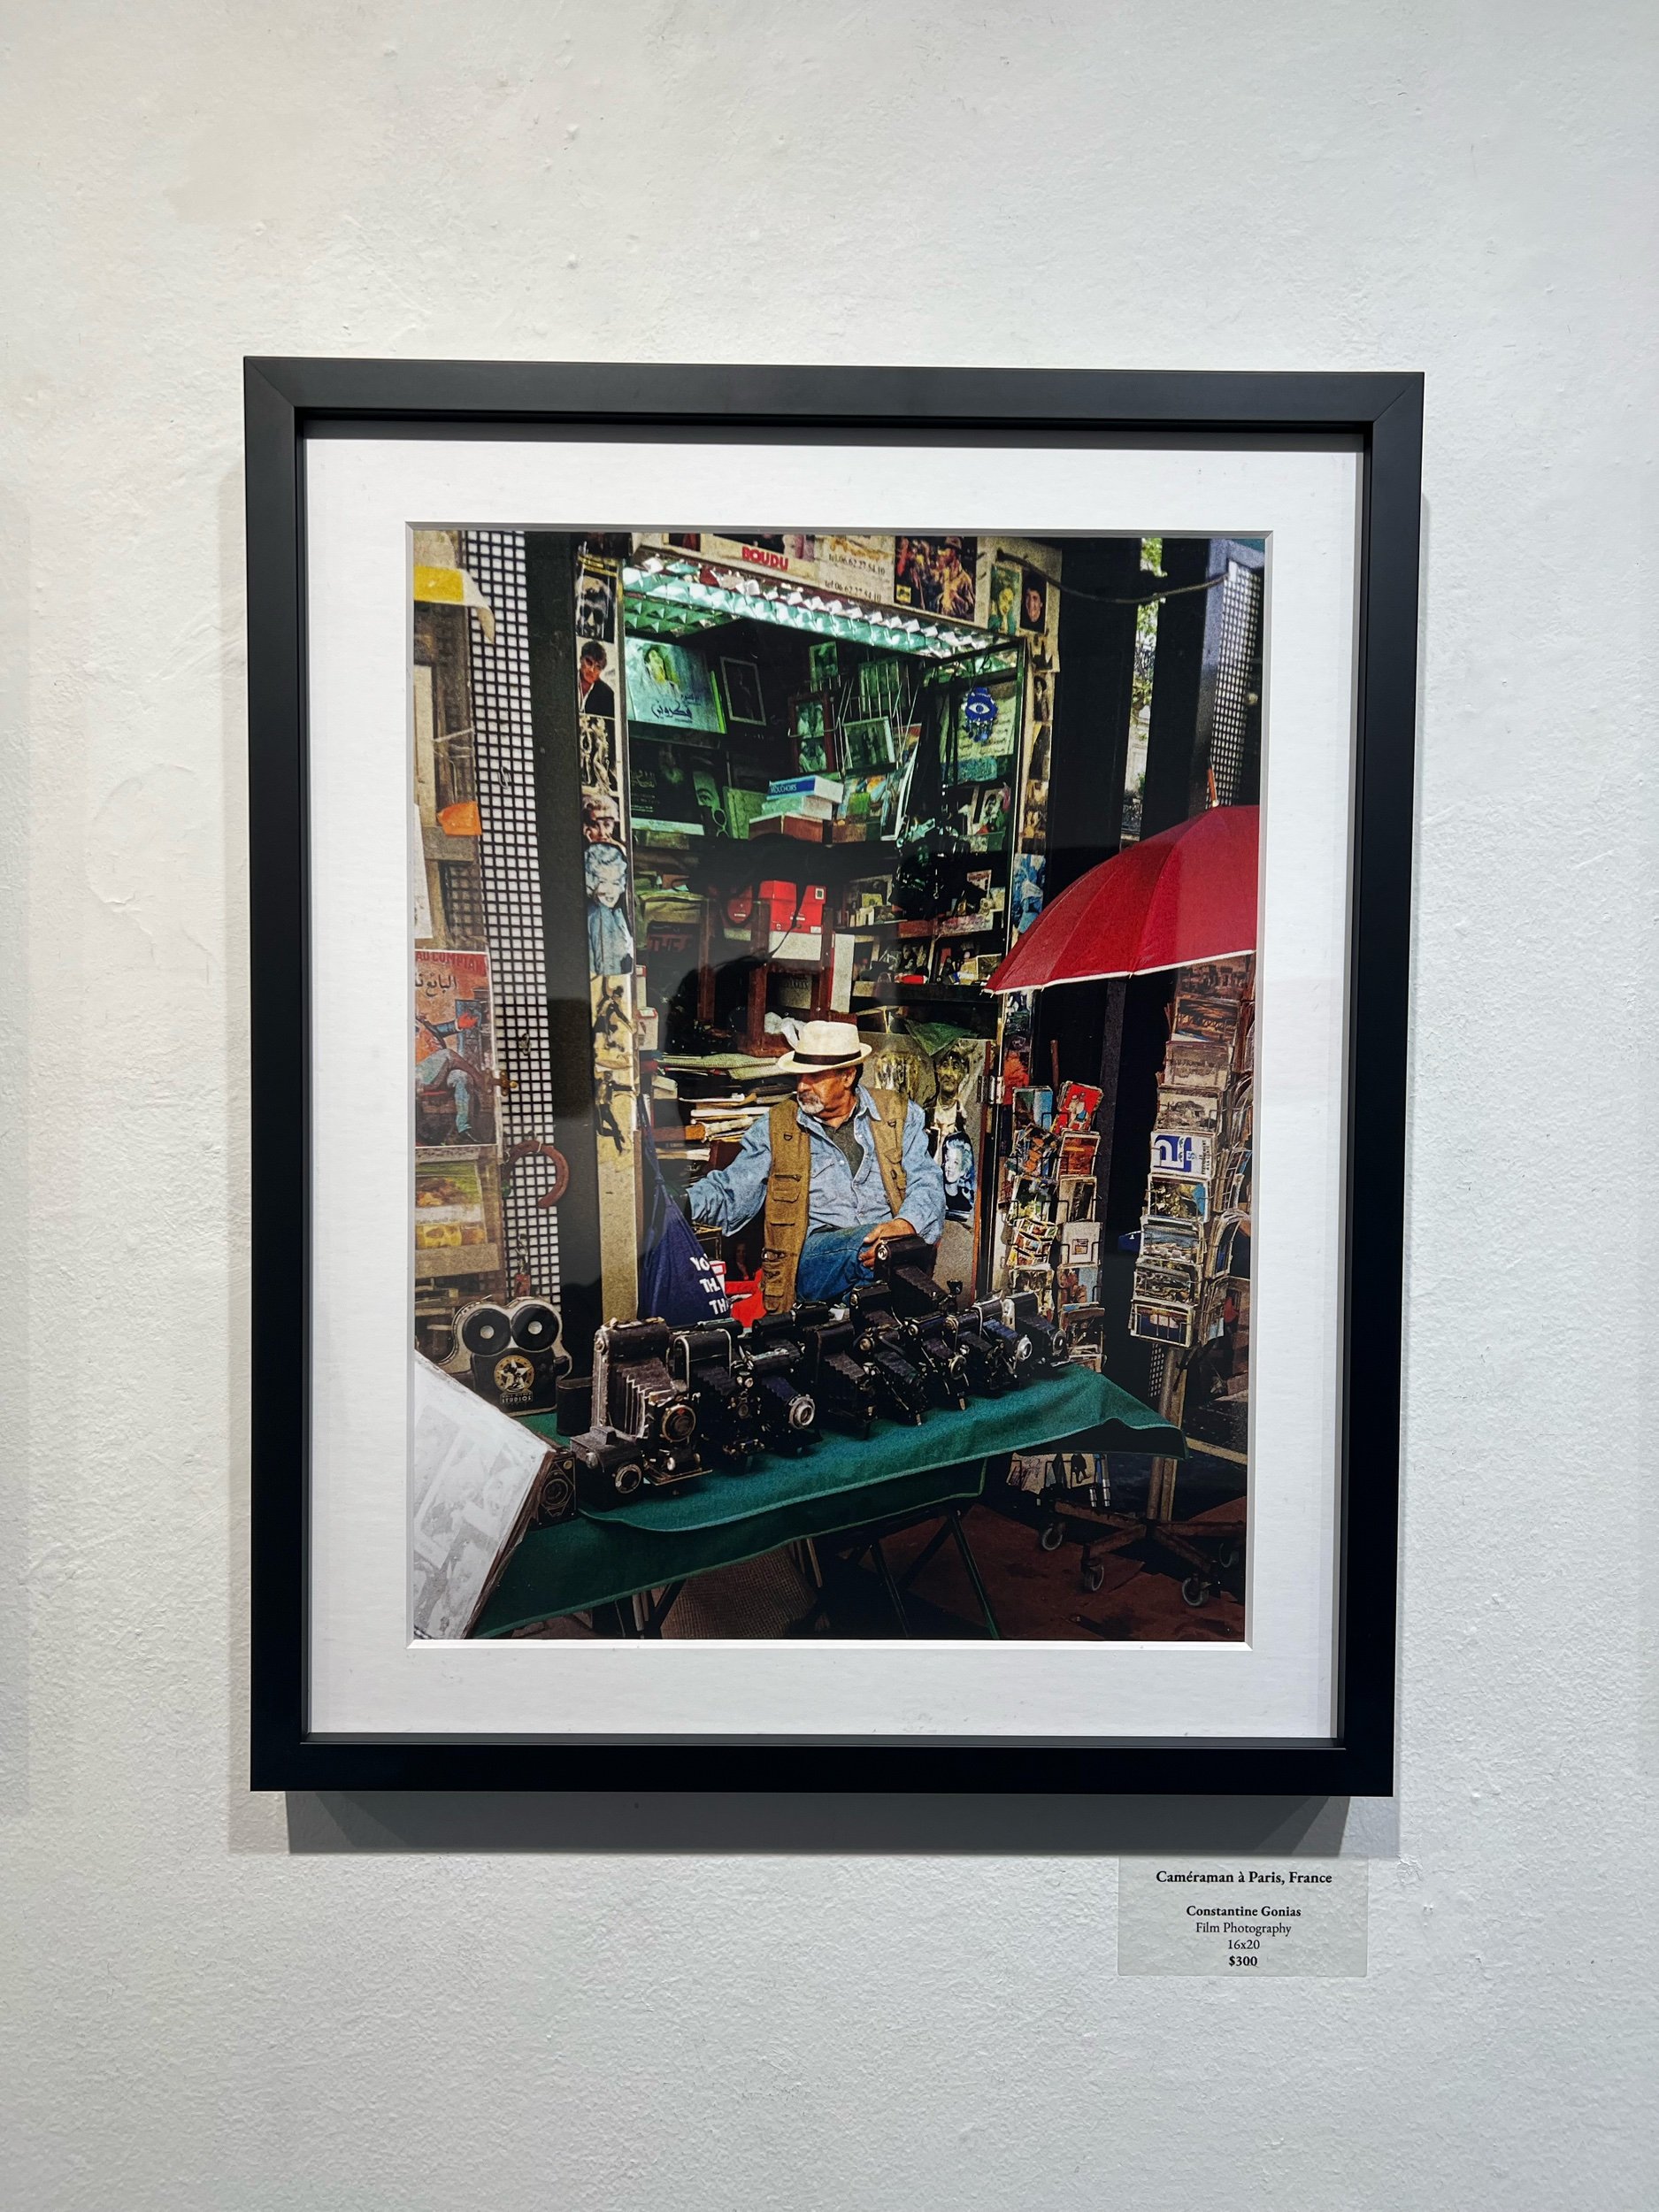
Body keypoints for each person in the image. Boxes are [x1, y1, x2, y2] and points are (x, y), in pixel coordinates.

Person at [687, 1019, 945, 1310]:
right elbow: (731, 1191)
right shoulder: (777, 1127)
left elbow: (927, 1181)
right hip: (812, 1259)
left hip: (886, 1253)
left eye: (814, 1077)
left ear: (847, 1076)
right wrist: (678, 1206)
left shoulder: (897, 1114)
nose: (802, 1086)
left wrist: (905, 1224)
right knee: (881, 1252)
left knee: (882, 1277)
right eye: (800, 1076)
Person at [578, 641, 615, 719]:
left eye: (598, 667)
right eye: (589, 662)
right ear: (581, 659)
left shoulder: (607, 695)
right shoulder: (565, 680)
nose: (592, 670)